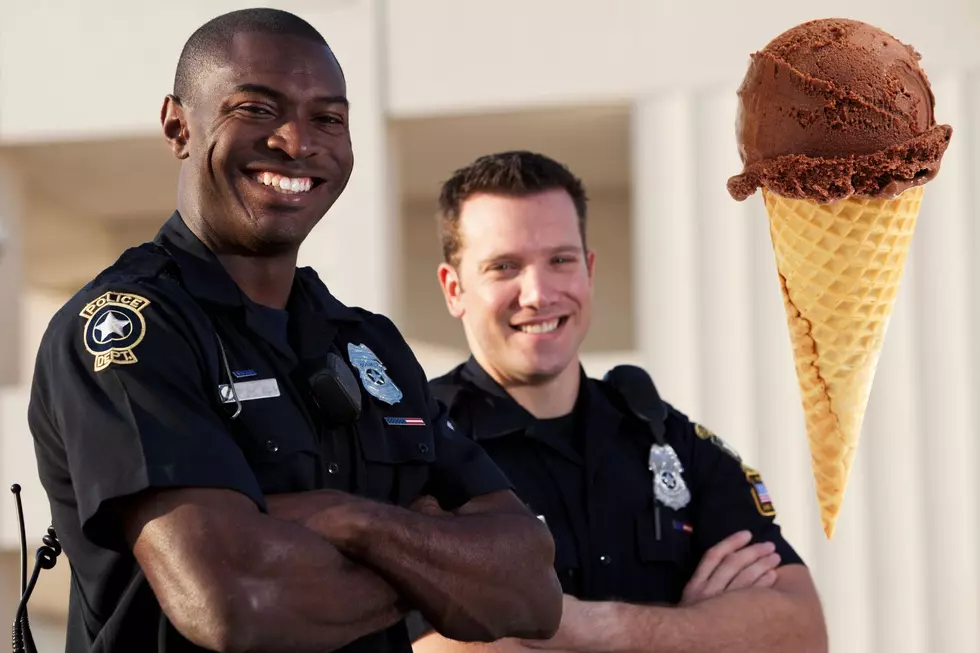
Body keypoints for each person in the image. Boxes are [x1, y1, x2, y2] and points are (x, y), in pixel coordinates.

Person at [26, 12, 562, 653]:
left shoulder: (370, 346)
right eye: (256, 108)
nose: (296, 141)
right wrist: (439, 567)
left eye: (329, 118)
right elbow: (234, 601)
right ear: (178, 126)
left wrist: (354, 522)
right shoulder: (129, 331)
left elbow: (532, 589)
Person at [411, 151, 828, 652]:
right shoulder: (415, 449)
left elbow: (799, 631)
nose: (538, 293)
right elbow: (424, 648)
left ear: (587, 270)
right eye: (504, 267)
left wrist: (604, 627)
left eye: (560, 260)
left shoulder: (669, 441)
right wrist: (693, 629)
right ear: (454, 289)